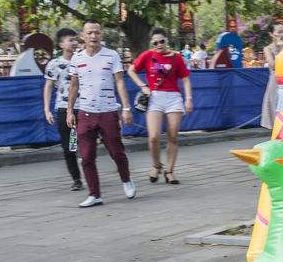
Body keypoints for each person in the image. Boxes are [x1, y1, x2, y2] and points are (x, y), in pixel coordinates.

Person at [65, 21, 136, 207]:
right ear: (83, 36)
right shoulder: (77, 58)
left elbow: (119, 82)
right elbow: (73, 85)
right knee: (86, 156)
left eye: (96, 32)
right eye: (89, 33)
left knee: (117, 152)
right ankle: (94, 194)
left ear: (101, 35)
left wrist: (126, 108)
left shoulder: (111, 55)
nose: (93, 36)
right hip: (85, 113)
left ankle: (126, 180)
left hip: (108, 112)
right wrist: (70, 111)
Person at [128, 26, 193, 184]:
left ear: (167, 40)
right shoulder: (147, 55)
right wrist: (143, 86)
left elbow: (185, 79)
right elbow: (131, 70)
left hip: (173, 98)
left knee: (173, 135)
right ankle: (156, 166)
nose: (159, 45)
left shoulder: (177, 57)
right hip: (154, 97)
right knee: (153, 137)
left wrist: (188, 99)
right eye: (155, 43)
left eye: (161, 41)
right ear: (152, 43)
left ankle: (169, 171)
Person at [41, 28, 83, 191]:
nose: (74, 43)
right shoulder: (54, 64)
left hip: (84, 108)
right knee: (70, 146)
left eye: (75, 39)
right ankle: (76, 179)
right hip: (64, 110)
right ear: (61, 44)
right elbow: (48, 87)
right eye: (70, 40)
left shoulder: (83, 59)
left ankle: (87, 166)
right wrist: (46, 109)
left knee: (86, 142)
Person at [259, 21, 283, 130]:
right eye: (279, 32)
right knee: (275, 110)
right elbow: (273, 65)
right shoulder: (268, 48)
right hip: (275, 83)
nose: (282, 35)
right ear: (271, 34)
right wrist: (281, 50)